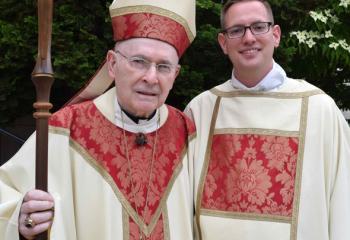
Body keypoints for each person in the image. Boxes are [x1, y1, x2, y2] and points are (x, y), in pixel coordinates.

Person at [0, 0, 196, 239]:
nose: (151, 77)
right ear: (112, 64)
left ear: (175, 74)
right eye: (139, 62)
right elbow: (6, 193)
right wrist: (21, 217)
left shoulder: (185, 130)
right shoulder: (67, 128)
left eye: (164, 66)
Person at [185, 0, 350, 240]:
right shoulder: (200, 111)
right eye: (236, 30)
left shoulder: (319, 109)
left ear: (275, 35)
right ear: (223, 42)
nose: (249, 38)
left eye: (258, 27)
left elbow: (343, 202)